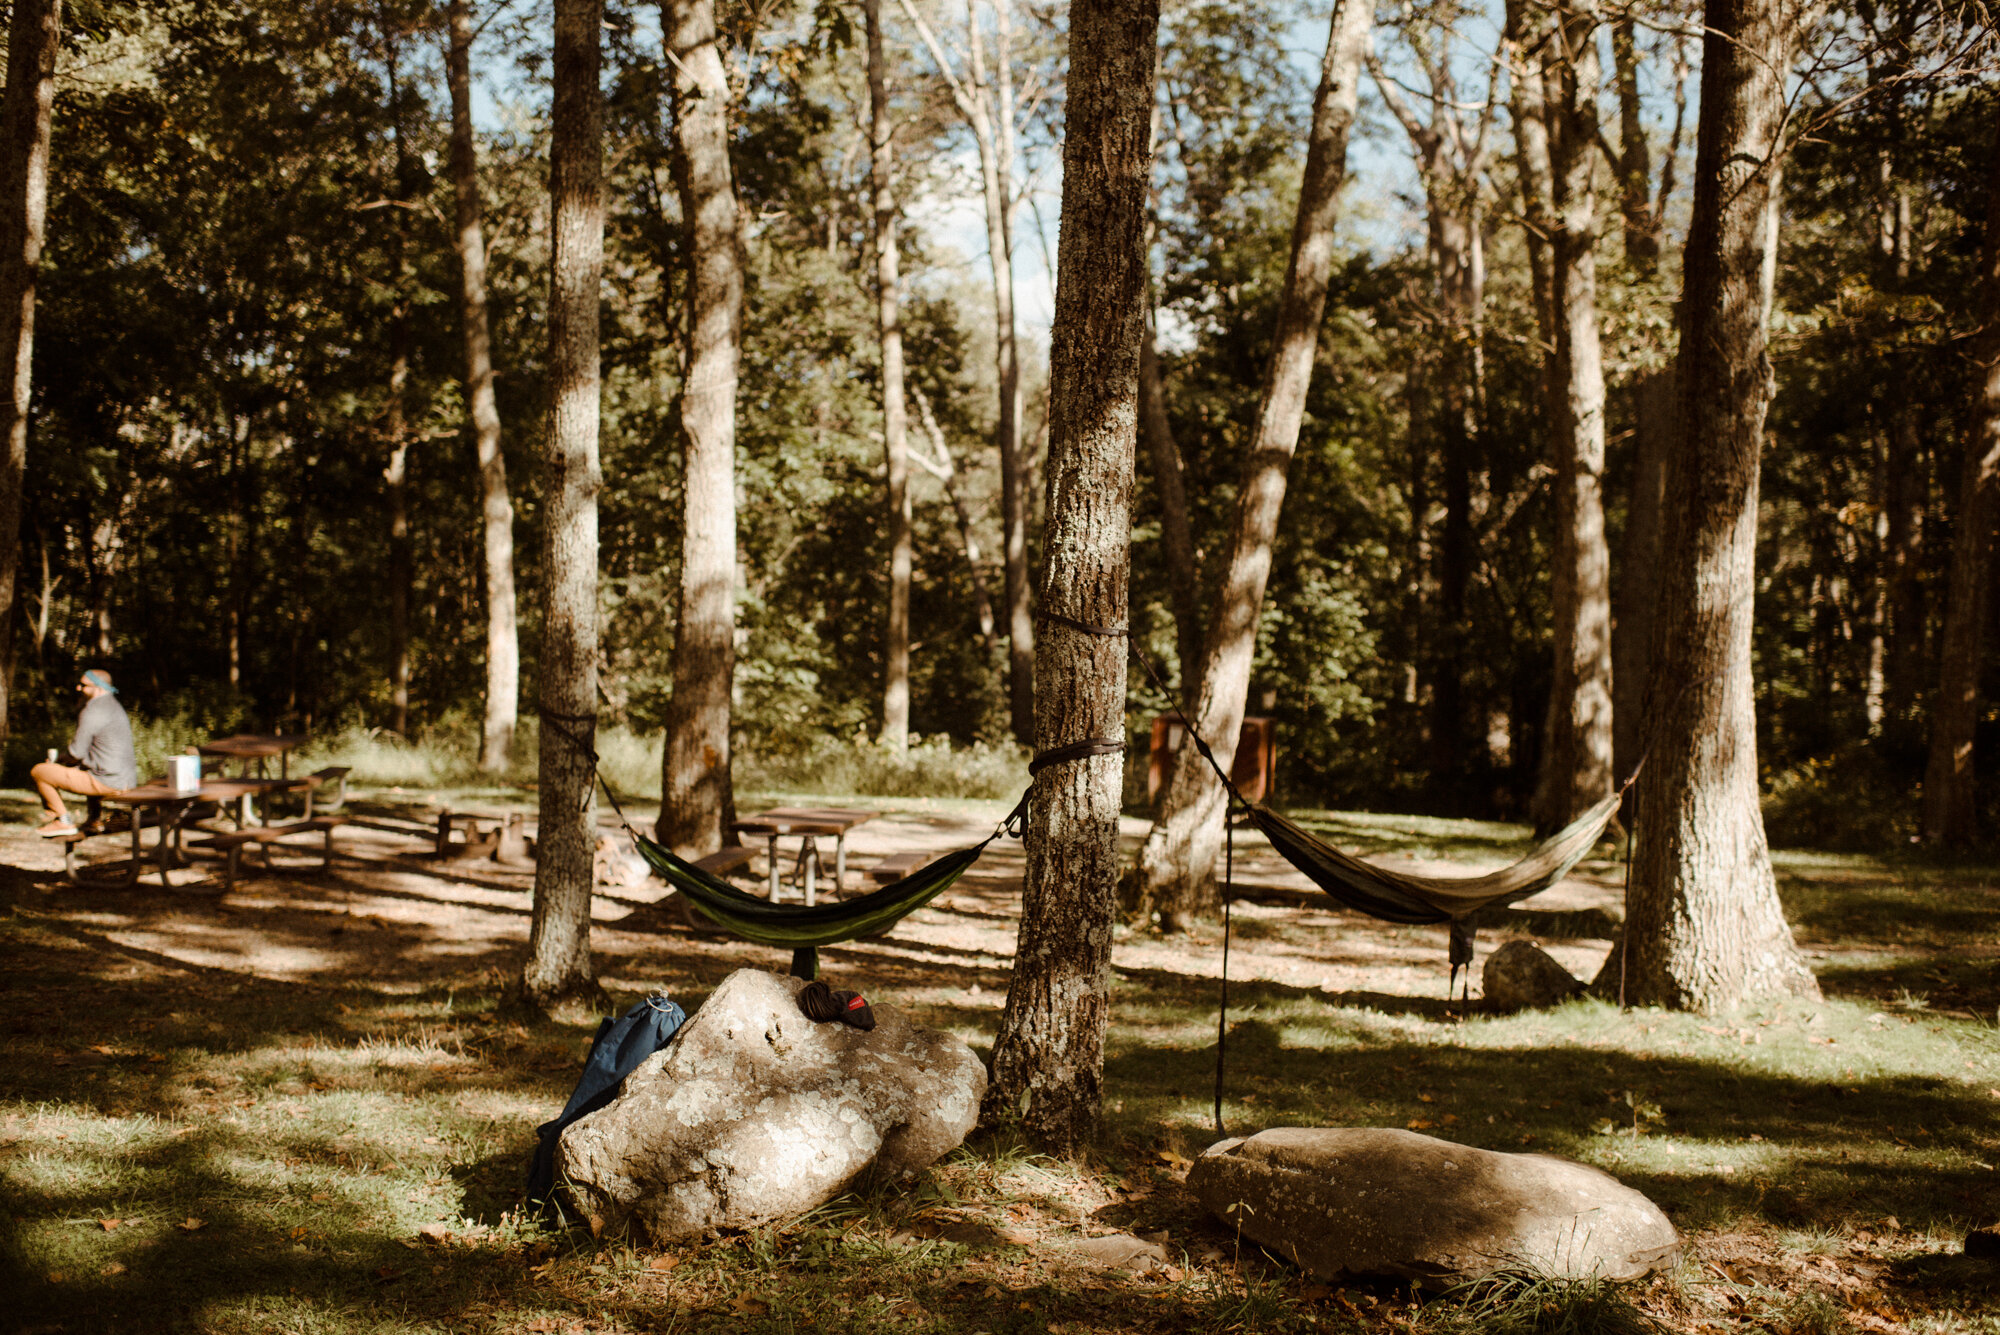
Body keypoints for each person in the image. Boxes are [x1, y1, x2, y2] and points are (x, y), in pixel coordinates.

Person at [31, 668, 138, 837]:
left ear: (98, 687)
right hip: (125, 780)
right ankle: (93, 821)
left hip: (108, 782)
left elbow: (76, 753)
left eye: (83, 685)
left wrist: (56, 761)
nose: (78, 688)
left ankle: (62, 821)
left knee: (40, 771)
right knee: (87, 768)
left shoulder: (93, 709)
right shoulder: (113, 706)